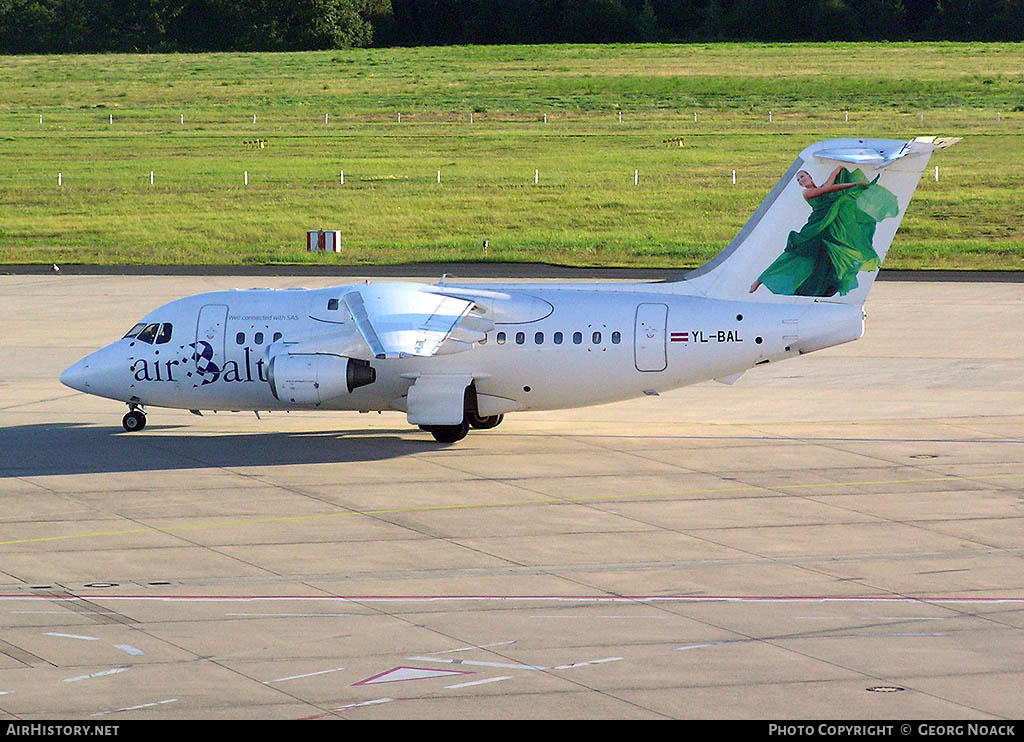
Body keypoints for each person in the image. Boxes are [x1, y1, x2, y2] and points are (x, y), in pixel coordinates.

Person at [749, 166, 898, 297]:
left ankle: (822, 287)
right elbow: (828, 189)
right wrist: (855, 183)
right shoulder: (807, 193)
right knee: (794, 255)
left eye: (802, 176)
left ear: (809, 176)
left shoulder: (817, 188)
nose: (801, 180)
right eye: (798, 180)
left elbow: (827, 185)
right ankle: (761, 280)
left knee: (826, 259)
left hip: (827, 227)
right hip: (815, 228)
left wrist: (836, 171)